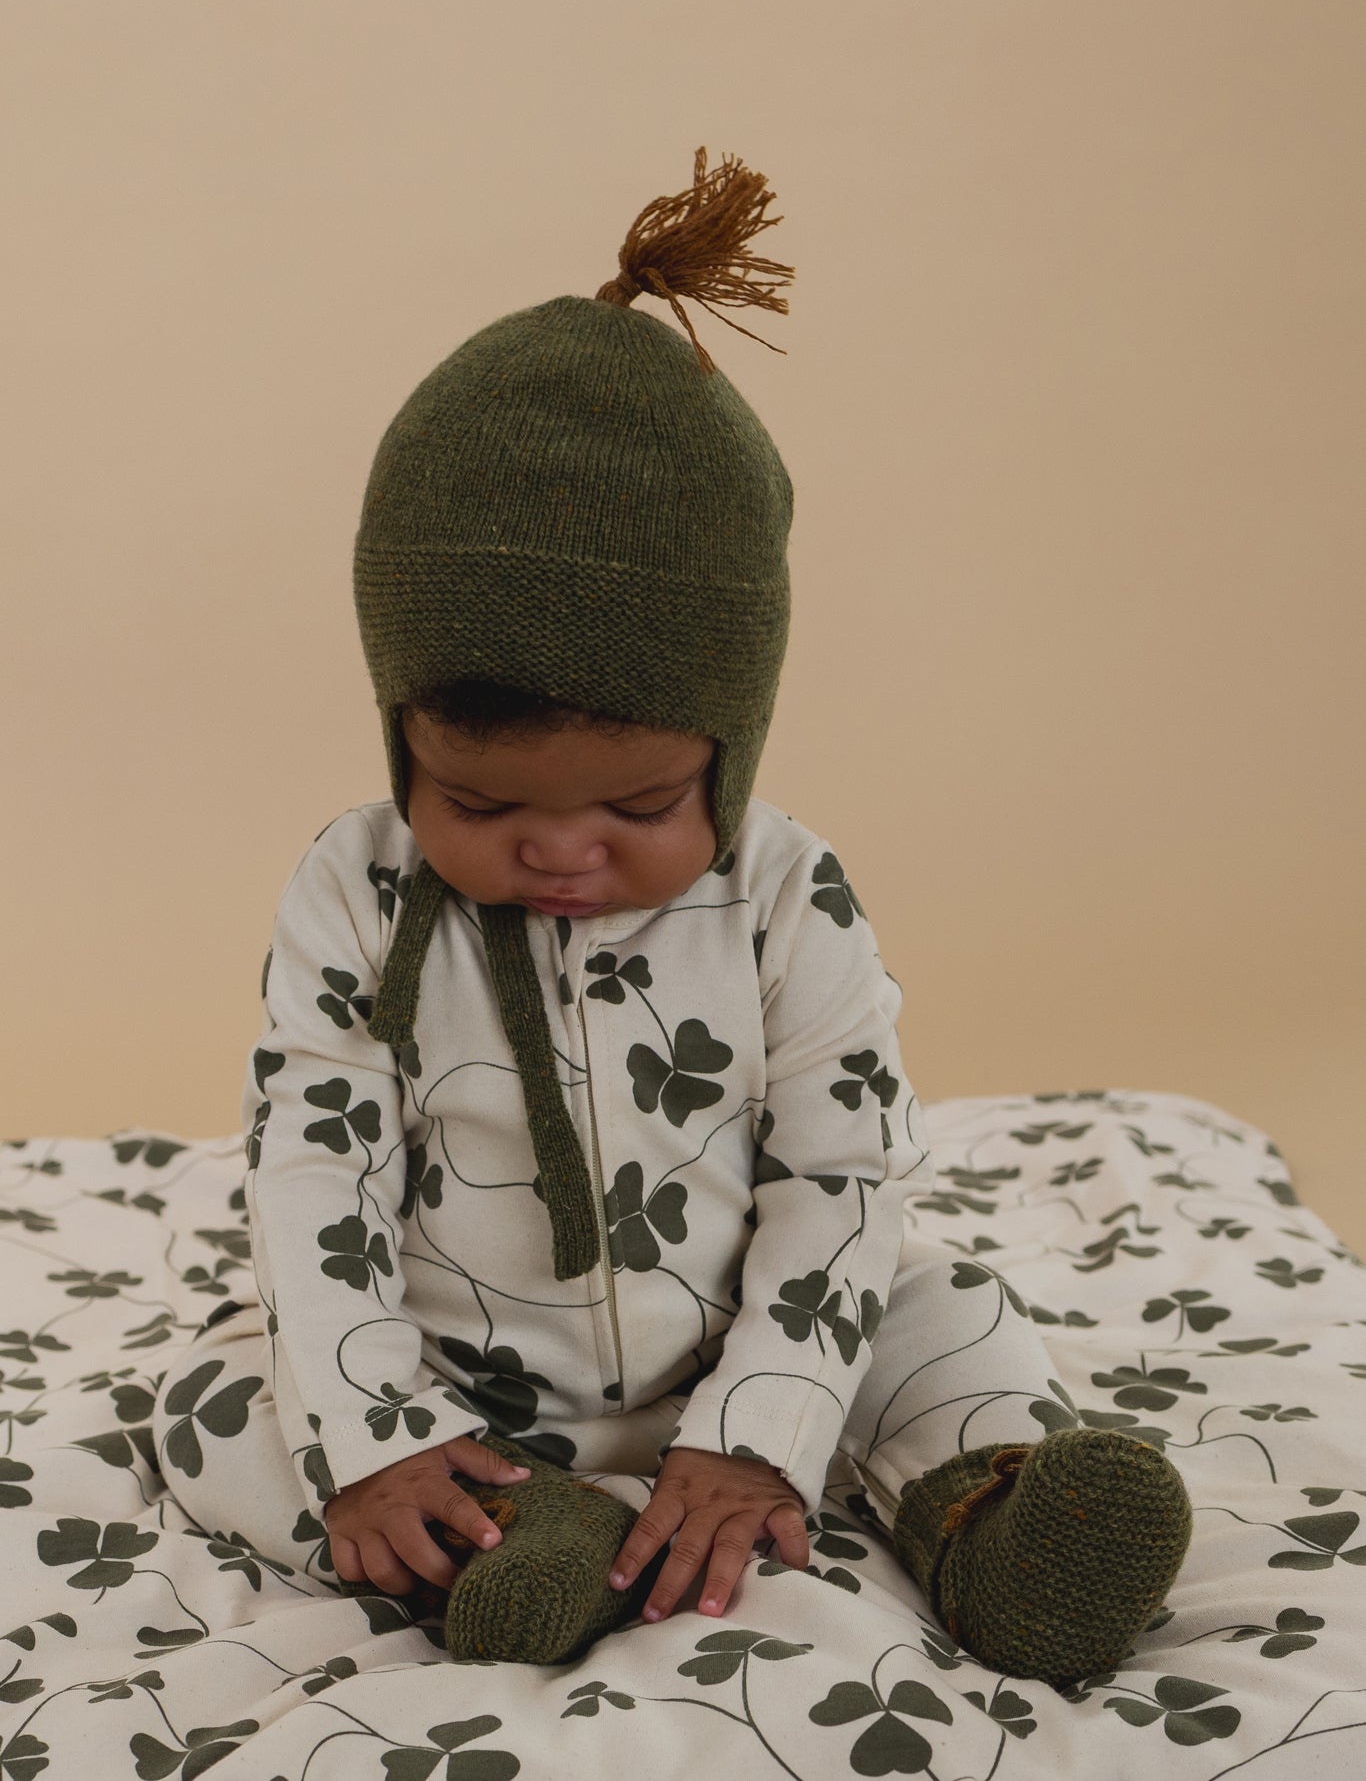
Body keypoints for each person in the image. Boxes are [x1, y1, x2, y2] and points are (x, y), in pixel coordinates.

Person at [152, 148, 1191, 1684]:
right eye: (478, 802)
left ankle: (992, 1523)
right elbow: (317, 1172)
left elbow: (840, 1172)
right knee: (214, 1401)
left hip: (743, 1340)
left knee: (946, 1307)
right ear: (400, 739)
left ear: (731, 748)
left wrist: (761, 1427)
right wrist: (378, 1434)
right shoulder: (353, 890)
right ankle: (514, 1535)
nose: (558, 854)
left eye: (637, 808)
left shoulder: (784, 891)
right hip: (459, 1380)